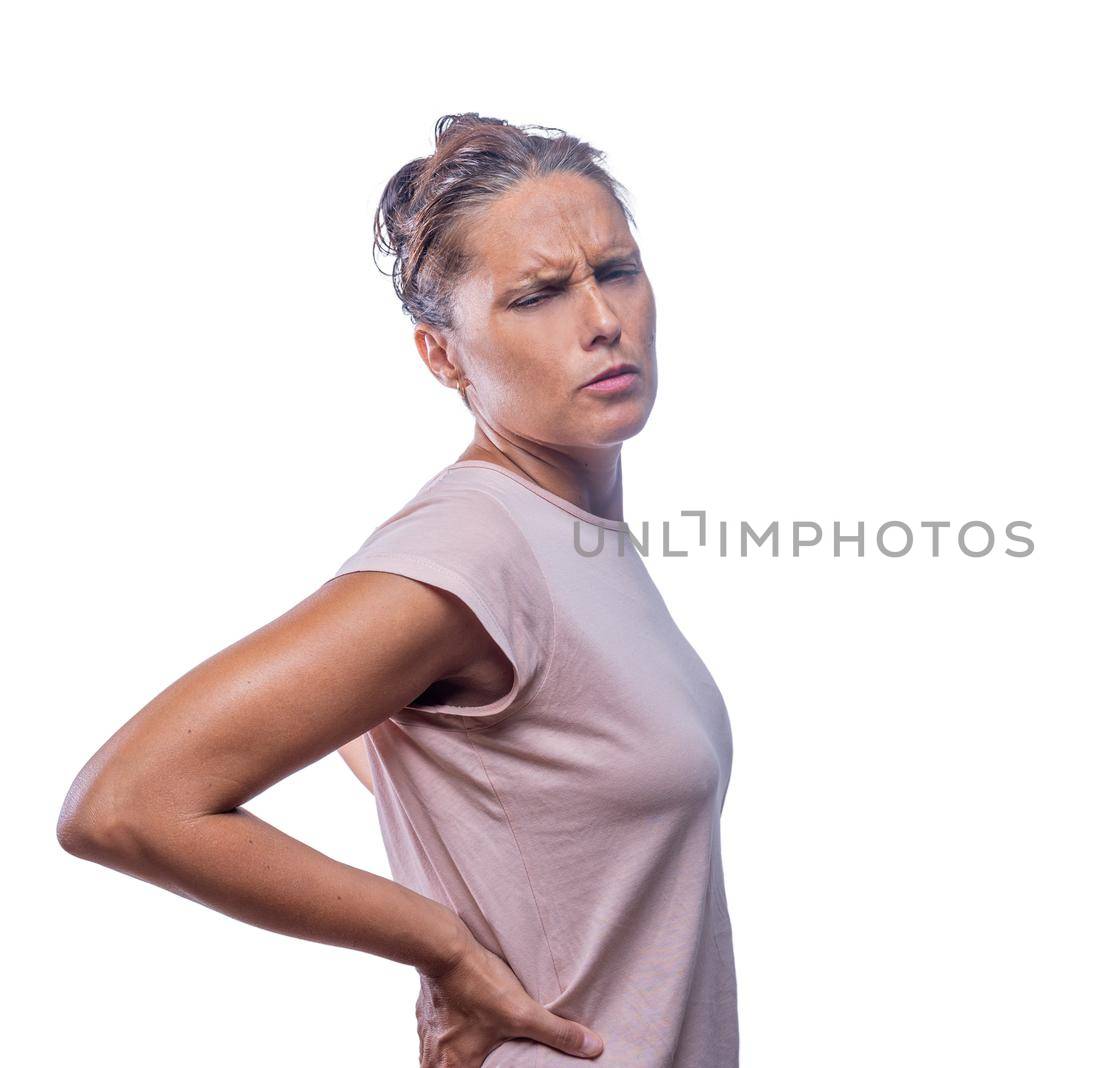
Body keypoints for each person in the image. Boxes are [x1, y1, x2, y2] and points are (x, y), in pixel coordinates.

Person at [56, 113, 739, 1068]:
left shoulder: (567, 534)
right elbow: (124, 805)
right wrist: (443, 947)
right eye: (538, 295)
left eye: (615, 270)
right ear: (443, 356)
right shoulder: (475, 546)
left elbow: (477, 773)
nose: (602, 320)